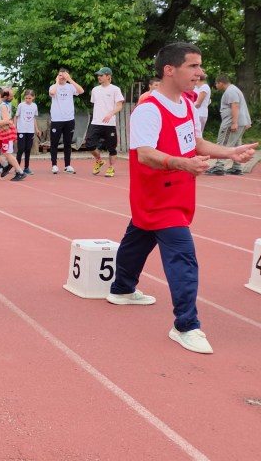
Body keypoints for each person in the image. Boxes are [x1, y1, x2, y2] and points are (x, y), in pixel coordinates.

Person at [107, 42, 256, 354]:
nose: (201, 72)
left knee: (138, 238)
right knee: (183, 258)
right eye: (193, 66)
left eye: (200, 66)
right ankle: (186, 325)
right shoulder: (148, 109)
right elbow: (145, 154)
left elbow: (196, 142)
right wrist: (182, 163)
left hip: (178, 192)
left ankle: (121, 288)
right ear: (169, 70)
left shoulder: (188, 105)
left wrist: (230, 152)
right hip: (159, 197)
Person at [206, 75, 253, 175]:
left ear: (220, 83)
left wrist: (234, 123)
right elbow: (242, 106)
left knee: (224, 143)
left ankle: (219, 167)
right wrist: (247, 121)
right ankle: (237, 167)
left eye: (216, 84)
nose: (216, 86)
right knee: (236, 144)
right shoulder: (234, 90)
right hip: (240, 122)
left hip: (231, 123)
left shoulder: (230, 91)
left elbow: (235, 106)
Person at [87, 67, 125, 177]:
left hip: (109, 124)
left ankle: (111, 167)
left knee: (111, 148)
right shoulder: (95, 90)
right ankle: (99, 160)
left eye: (101, 75)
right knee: (89, 144)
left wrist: (110, 114)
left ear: (108, 76)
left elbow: (119, 106)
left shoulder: (115, 89)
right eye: (98, 75)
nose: (98, 77)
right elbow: (96, 104)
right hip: (96, 122)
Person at [48, 68, 84, 174]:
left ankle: (67, 165)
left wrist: (70, 80)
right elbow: (52, 92)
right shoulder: (53, 86)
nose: (62, 77)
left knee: (67, 143)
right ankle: (54, 165)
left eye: (64, 75)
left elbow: (81, 91)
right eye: (60, 75)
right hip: (57, 119)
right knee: (54, 143)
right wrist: (56, 82)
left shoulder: (70, 86)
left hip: (69, 119)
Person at [14, 89, 41, 175]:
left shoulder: (34, 106)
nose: (28, 100)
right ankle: (17, 168)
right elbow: (16, 116)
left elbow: (34, 118)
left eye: (29, 98)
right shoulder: (21, 105)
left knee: (28, 149)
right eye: (26, 98)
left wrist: (36, 129)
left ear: (33, 97)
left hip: (30, 130)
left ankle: (26, 168)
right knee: (21, 149)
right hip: (21, 130)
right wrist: (15, 127)